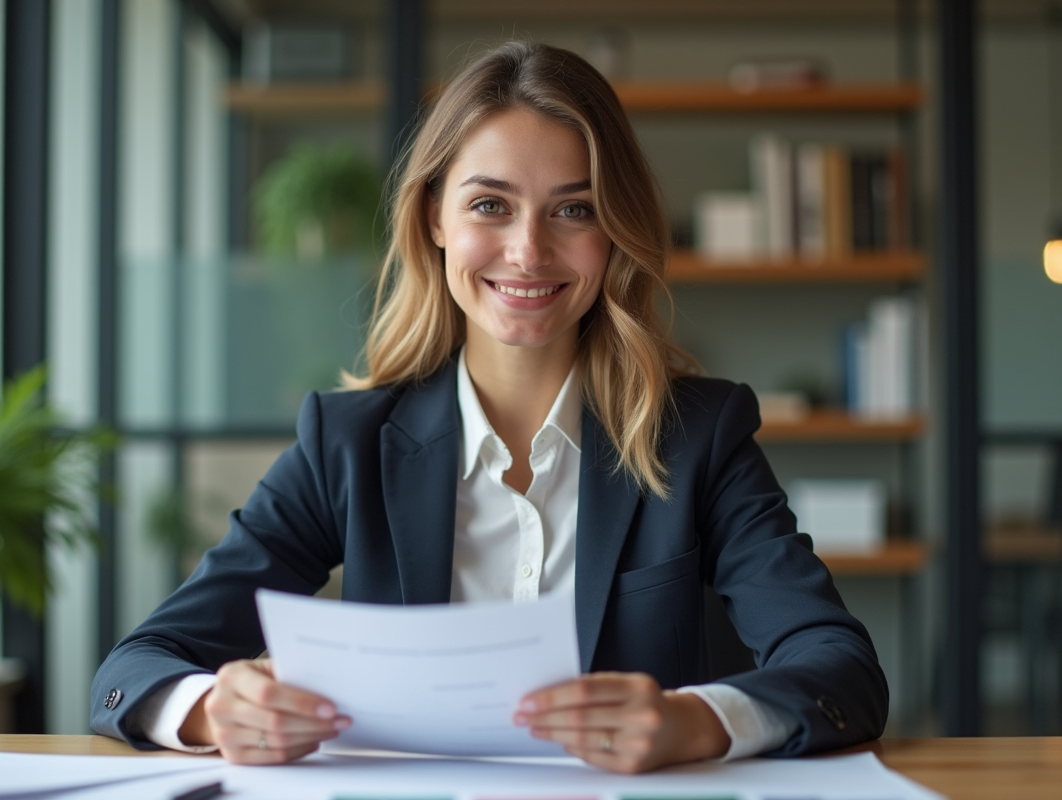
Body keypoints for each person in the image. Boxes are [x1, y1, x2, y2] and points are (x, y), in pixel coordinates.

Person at [91, 41, 887, 774]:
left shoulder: (698, 437)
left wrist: (698, 722)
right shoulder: (348, 443)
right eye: (489, 205)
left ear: (615, 231)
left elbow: (839, 668)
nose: (529, 251)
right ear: (434, 216)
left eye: (574, 209)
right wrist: (208, 711)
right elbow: (135, 669)